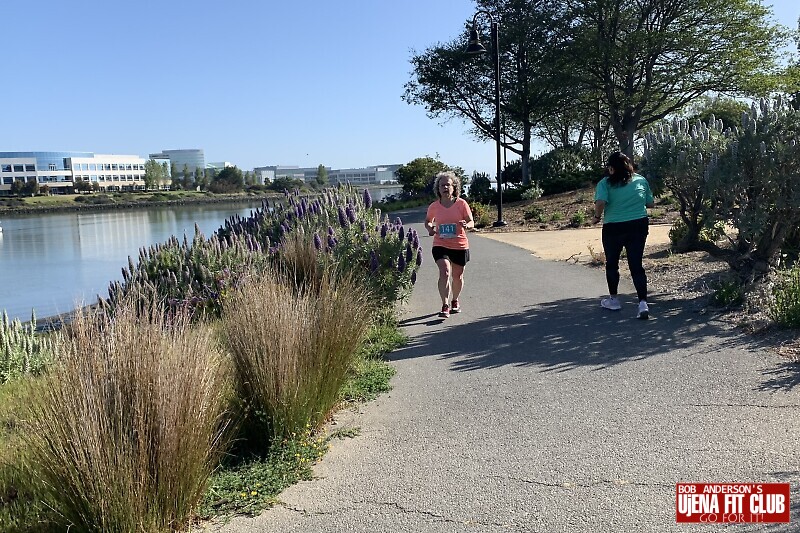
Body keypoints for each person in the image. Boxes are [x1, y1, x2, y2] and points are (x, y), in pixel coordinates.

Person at [592, 152, 654, 319]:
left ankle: (614, 300)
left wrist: (596, 217)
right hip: (638, 225)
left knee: (612, 263)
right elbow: (650, 203)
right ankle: (642, 303)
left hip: (614, 227)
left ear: (611, 168)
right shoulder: (641, 180)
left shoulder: (604, 183)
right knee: (636, 264)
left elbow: (600, 202)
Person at [425, 171, 474, 318]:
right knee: (445, 271)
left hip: (459, 244)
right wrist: (430, 228)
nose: (445, 187)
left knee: (457, 276)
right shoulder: (434, 206)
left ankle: (455, 300)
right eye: (442, 185)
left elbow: (471, 221)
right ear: (438, 188)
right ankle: (445, 305)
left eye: (448, 185)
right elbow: (428, 221)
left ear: (454, 187)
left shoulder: (461, 204)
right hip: (440, 244)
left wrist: (466, 225)